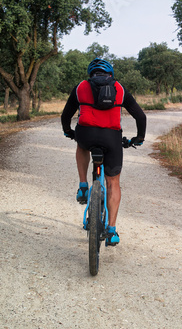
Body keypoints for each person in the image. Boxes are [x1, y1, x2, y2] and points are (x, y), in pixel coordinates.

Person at [61, 58, 147, 245]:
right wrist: (139, 138)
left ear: (91, 73)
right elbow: (140, 116)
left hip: (87, 134)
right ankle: (112, 230)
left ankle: (83, 185)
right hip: (112, 139)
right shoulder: (120, 89)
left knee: (81, 145)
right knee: (113, 182)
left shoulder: (80, 87)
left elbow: (65, 115)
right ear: (111, 74)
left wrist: (69, 132)